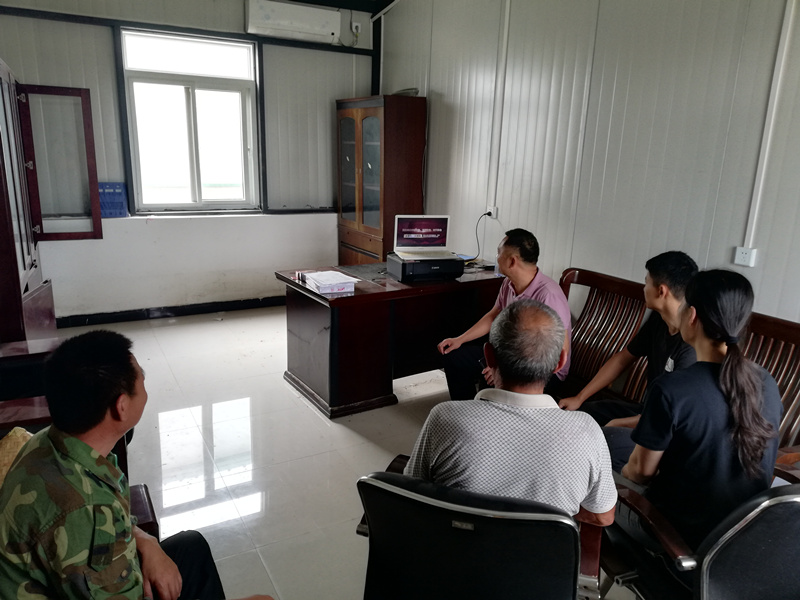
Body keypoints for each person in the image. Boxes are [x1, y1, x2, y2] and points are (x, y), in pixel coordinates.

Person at [0, 330, 272, 600]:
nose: (144, 385)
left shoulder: (50, 441)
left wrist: (146, 541)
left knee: (190, 547)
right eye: (141, 378)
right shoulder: (84, 511)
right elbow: (88, 523)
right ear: (121, 406)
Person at [407, 299, 616, 525]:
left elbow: (412, 491)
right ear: (560, 362)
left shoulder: (445, 418)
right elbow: (603, 516)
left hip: (460, 545)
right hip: (542, 548)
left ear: (488, 356)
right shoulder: (588, 431)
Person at [617, 270, 782, 550]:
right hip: (742, 538)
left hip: (675, 539)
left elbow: (640, 473)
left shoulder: (671, 389)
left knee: (602, 467)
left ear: (691, 315)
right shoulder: (766, 381)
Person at [559, 251, 698, 470]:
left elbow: (670, 419)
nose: (644, 288)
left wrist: (620, 423)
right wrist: (579, 397)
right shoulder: (659, 320)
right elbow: (622, 359)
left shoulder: (690, 346)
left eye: (646, 282)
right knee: (583, 413)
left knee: (608, 437)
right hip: (645, 412)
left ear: (661, 291)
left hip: (665, 432)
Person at [437, 228, 572, 399]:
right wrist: (459, 340)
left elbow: (560, 349)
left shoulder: (549, 295)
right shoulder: (508, 283)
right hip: (509, 357)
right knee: (454, 357)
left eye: (499, 252)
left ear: (512, 261)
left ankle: (488, 411)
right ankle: (468, 409)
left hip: (541, 371)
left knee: (495, 380)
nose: (496, 257)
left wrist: (503, 370)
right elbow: (493, 316)